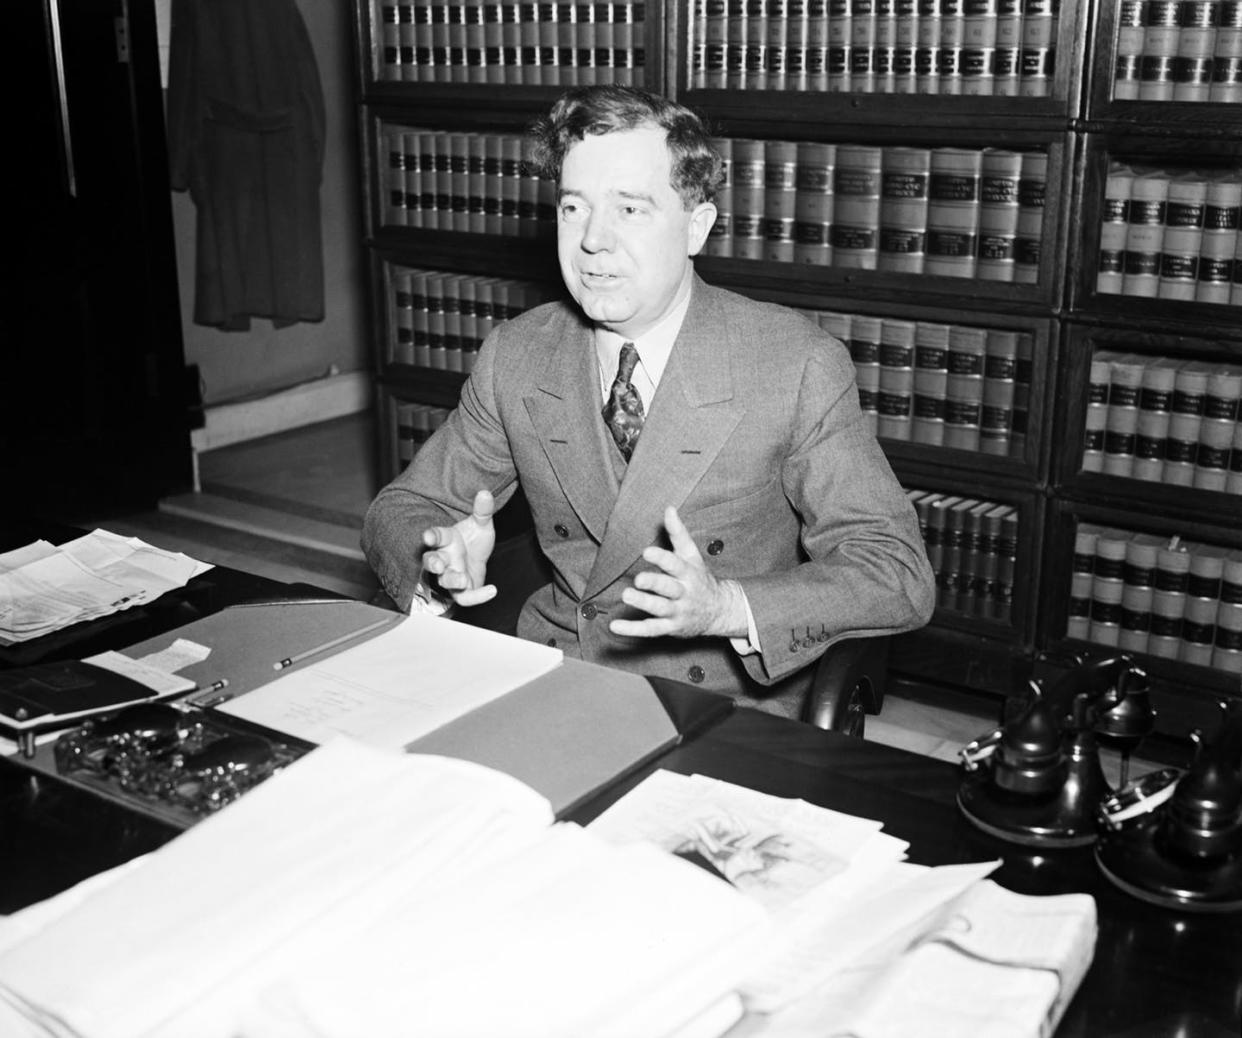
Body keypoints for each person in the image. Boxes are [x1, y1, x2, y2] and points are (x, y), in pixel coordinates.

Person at [362, 85, 935, 717]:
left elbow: (895, 570)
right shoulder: (518, 354)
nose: (592, 242)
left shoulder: (793, 363)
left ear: (697, 227)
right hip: (558, 679)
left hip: (722, 705)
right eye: (573, 208)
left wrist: (727, 606)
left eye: (630, 210)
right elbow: (404, 506)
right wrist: (435, 555)